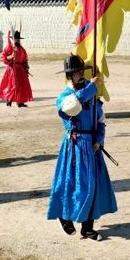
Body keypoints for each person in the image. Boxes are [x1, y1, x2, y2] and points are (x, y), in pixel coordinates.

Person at [47, 55, 117, 240]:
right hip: (75, 146)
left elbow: (101, 120)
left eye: (81, 72)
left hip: (91, 145)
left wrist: (99, 139)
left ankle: (87, 228)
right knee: (71, 184)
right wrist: (91, 88)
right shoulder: (64, 97)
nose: (81, 75)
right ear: (69, 76)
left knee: (92, 185)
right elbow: (72, 107)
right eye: (77, 73)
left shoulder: (91, 93)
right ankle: (64, 215)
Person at [0, 31, 33, 107]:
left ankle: (20, 102)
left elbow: (25, 60)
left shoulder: (22, 49)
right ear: (13, 39)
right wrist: (11, 56)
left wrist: (26, 68)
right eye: (16, 39)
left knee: (21, 86)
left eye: (18, 39)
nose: (17, 40)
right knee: (12, 85)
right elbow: (4, 58)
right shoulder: (8, 47)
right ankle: (9, 100)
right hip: (12, 69)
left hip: (20, 70)